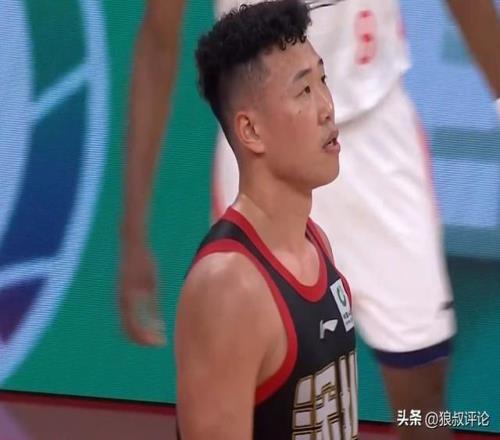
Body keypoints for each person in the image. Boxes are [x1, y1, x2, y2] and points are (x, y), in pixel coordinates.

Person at [119, 0, 500, 437]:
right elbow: (159, 39)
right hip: (265, 147)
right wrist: (133, 229)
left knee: (423, 394)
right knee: (260, 386)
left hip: (377, 134)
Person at [175, 2, 357, 438]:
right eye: (303, 91)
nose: (327, 108)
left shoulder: (316, 244)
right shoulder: (228, 288)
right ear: (251, 131)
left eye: (323, 80)